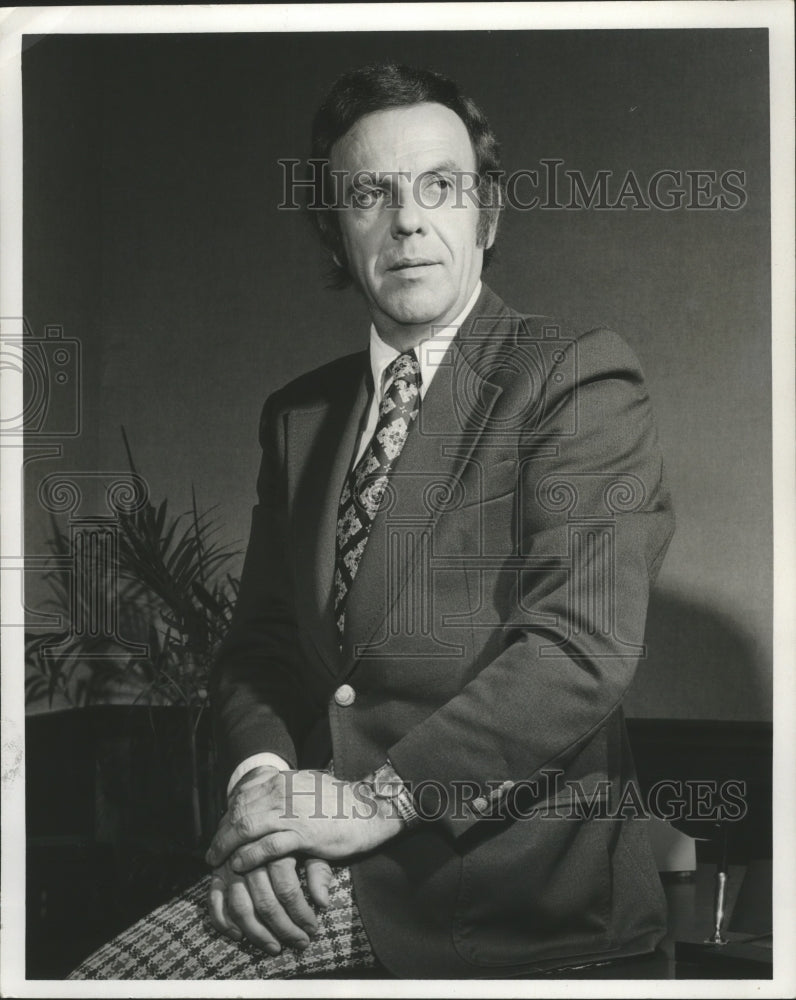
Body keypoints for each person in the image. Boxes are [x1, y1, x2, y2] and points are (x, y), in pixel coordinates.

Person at [69, 62, 675, 981]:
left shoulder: (572, 375)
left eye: (440, 187)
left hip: (505, 886)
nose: (408, 222)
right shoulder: (298, 416)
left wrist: (375, 803)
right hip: (316, 851)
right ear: (333, 230)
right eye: (369, 194)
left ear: (489, 214)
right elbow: (261, 650)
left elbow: (577, 649)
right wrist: (265, 797)